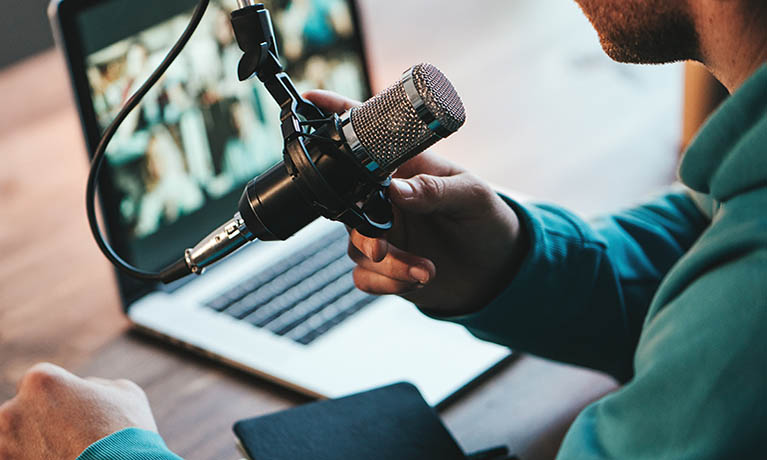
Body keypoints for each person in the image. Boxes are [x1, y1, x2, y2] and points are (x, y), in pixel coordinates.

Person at [2, 0, 765, 458]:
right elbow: (698, 240)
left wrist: (113, 451)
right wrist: (521, 264)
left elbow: (726, 319)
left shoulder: (746, 317)